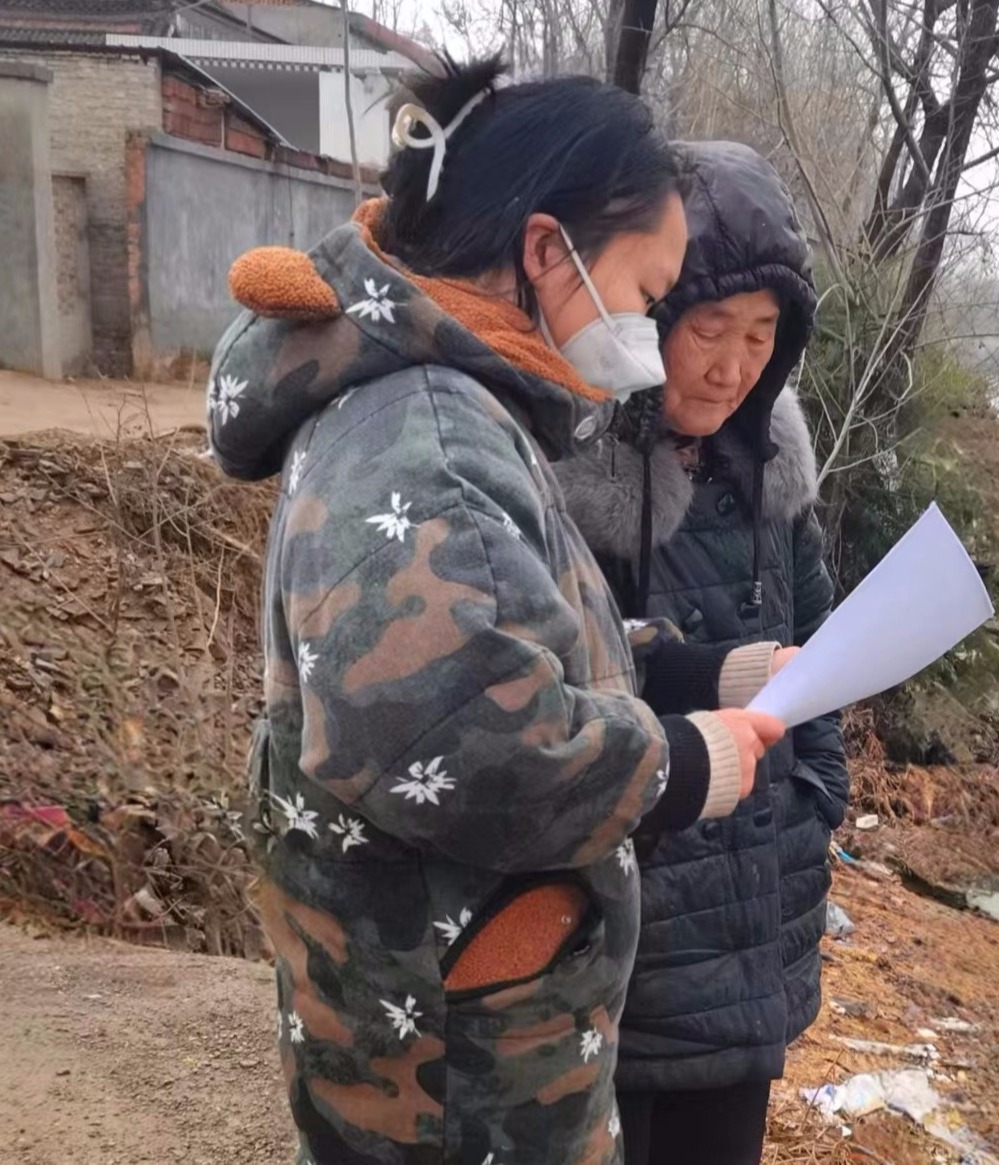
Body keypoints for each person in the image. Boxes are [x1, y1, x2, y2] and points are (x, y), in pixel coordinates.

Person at [207, 62, 784, 1165]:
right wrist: (680, 764)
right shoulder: (428, 437)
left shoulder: (452, 409)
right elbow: (469, 738)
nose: (646, 330)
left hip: (455, 1031)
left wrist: (701, 673)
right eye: (646, 293)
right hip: (451, 1075)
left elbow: (506, 639)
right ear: (545, 251)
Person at [554, 140, 850, 1165]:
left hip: (753, 914)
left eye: (762, 335)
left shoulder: (773, 469)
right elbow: (564, 683)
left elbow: (820, 649)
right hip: (622, 929)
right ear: (650, 319)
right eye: (709, 329)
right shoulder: (570, 470)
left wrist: (815, 795)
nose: (733, 365)